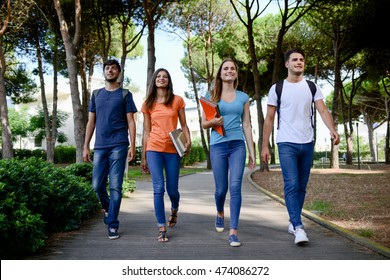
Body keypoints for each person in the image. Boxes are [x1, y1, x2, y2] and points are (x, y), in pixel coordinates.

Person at [261, 48, 340, 245]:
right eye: (294, 59)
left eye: (302, 59)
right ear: (287, 64)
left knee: (302, 187)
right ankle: (298, 226)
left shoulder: (312, 87)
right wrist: (264, 146)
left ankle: (292, 221)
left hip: (307, 142)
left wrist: (332, 129)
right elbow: (269, 119)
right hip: (286, 142)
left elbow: (322, 109)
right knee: (291, 184)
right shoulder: (277, 88)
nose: (299, 62)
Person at [201, 58, 256, 247]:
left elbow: (247, 124)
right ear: (220, 73)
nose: (229, 71)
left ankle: (233, 231)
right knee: (221, 189)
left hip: (237, 145)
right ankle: (219, 211)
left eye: (232, 68)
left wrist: (252, 152)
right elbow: (203, 123)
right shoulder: (211, 95)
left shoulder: (243, 97)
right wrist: (214, 123)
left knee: (235, 187)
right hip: (218, 145)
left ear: (236, 73)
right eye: (226, 68)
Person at [83, 59, 137, 240]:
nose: (110, 70)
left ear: (119, 72)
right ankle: (108, 208)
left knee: (115, 186)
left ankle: (113, 224)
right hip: (100, 146)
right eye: (107, 68)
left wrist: (132, 145)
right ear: (104, 72)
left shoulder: (125, 94)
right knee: (96, 185)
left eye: (113, 68)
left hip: (119, 144)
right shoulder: (96, 94)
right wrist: (85, 146)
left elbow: (131, 121)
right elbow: (91, 121)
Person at [141, 68, 191, 243]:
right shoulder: (148, 103)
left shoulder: (177, 100)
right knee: (158, 189)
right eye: (159, 76)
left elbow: (184, 125)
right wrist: (144, 155)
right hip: (153, 148)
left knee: (172, 189)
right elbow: (146, 131)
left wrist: (188, 139)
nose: (162, 79)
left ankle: (175, 207)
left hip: (172, 150)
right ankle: (161, 227)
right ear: (154, 80)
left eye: (165, 77)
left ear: (169, 81)